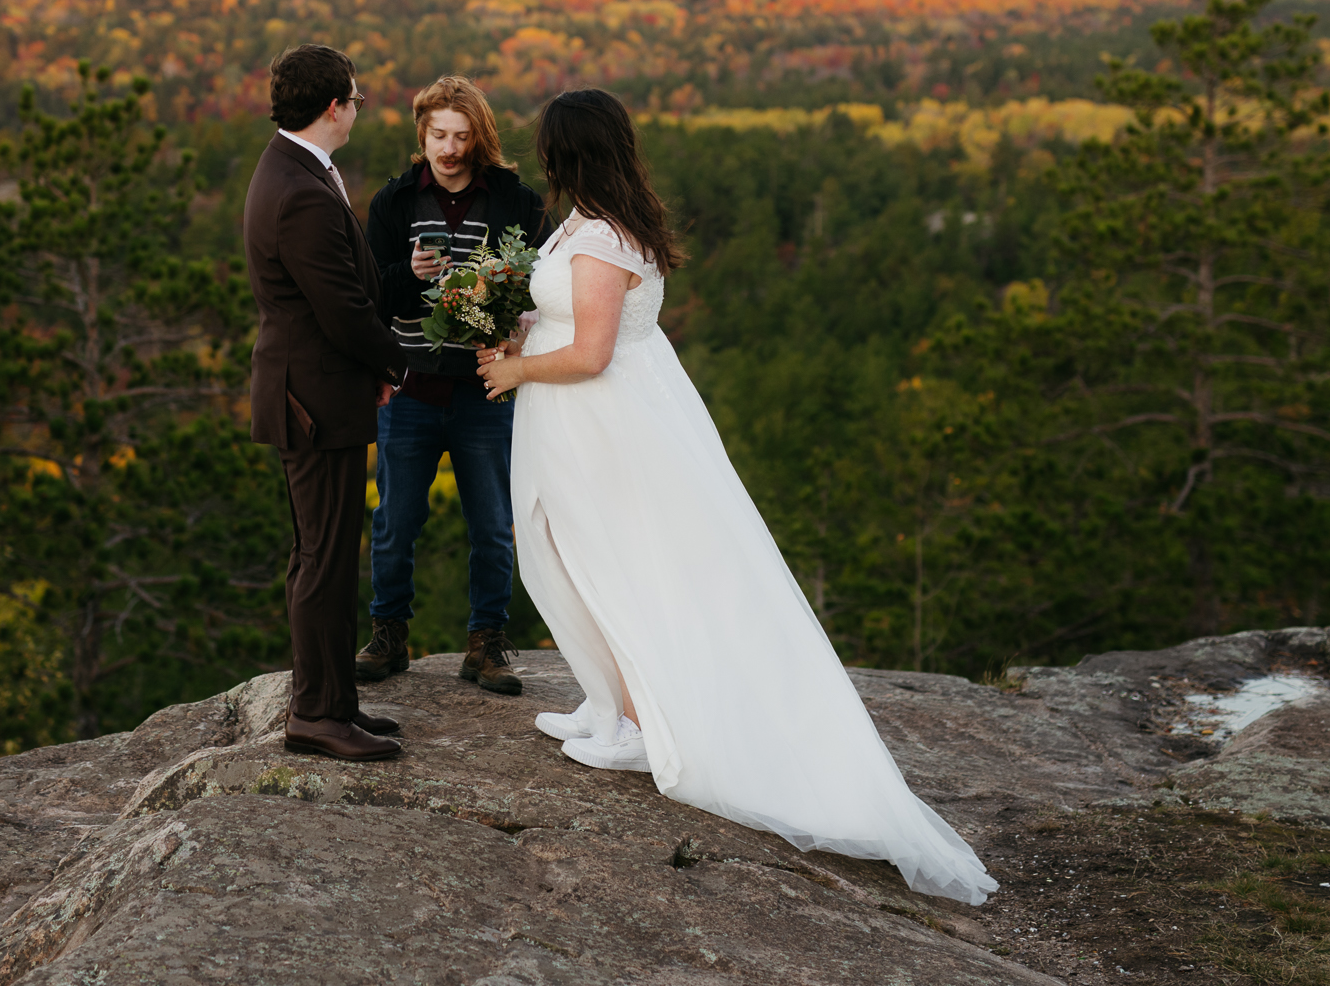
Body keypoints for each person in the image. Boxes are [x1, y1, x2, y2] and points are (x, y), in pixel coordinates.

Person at [474, 88, 998, 906]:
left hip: (603, 420)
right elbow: (562, 320)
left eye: (549, 147)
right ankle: (607, 698)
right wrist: (514, 331)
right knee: (564, 549)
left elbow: (594, 352)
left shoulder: (607, 236)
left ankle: (641, 728)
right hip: (573, 417)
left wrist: (515, 369)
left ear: (567, 154)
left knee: (614, 555)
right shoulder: (584, 221)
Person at [243, 44, 410, 763]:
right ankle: (314, 713)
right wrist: (400, 360)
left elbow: (354, 287)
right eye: (356, 94)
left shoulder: (302, 170)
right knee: (323, 558)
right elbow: (341, 309)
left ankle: (337, 699)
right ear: (334, 105)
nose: (360, 104)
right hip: (311, 397)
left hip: (321, 388)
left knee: (328, 552)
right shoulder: (302, 190)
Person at [356, 76, 548, 695]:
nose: (449, 148)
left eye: (462, 136)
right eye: (439, 134)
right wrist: (411, 278)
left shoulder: (515, 200)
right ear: (422, 133)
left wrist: (516, 326)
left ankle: (487, 644)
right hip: (411, 389)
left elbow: (545, 286)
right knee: (395, 522)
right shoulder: (394, 203)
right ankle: (389, 636)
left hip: (485, 389)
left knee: (492, 524)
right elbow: (369, 293)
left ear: (479, 138)